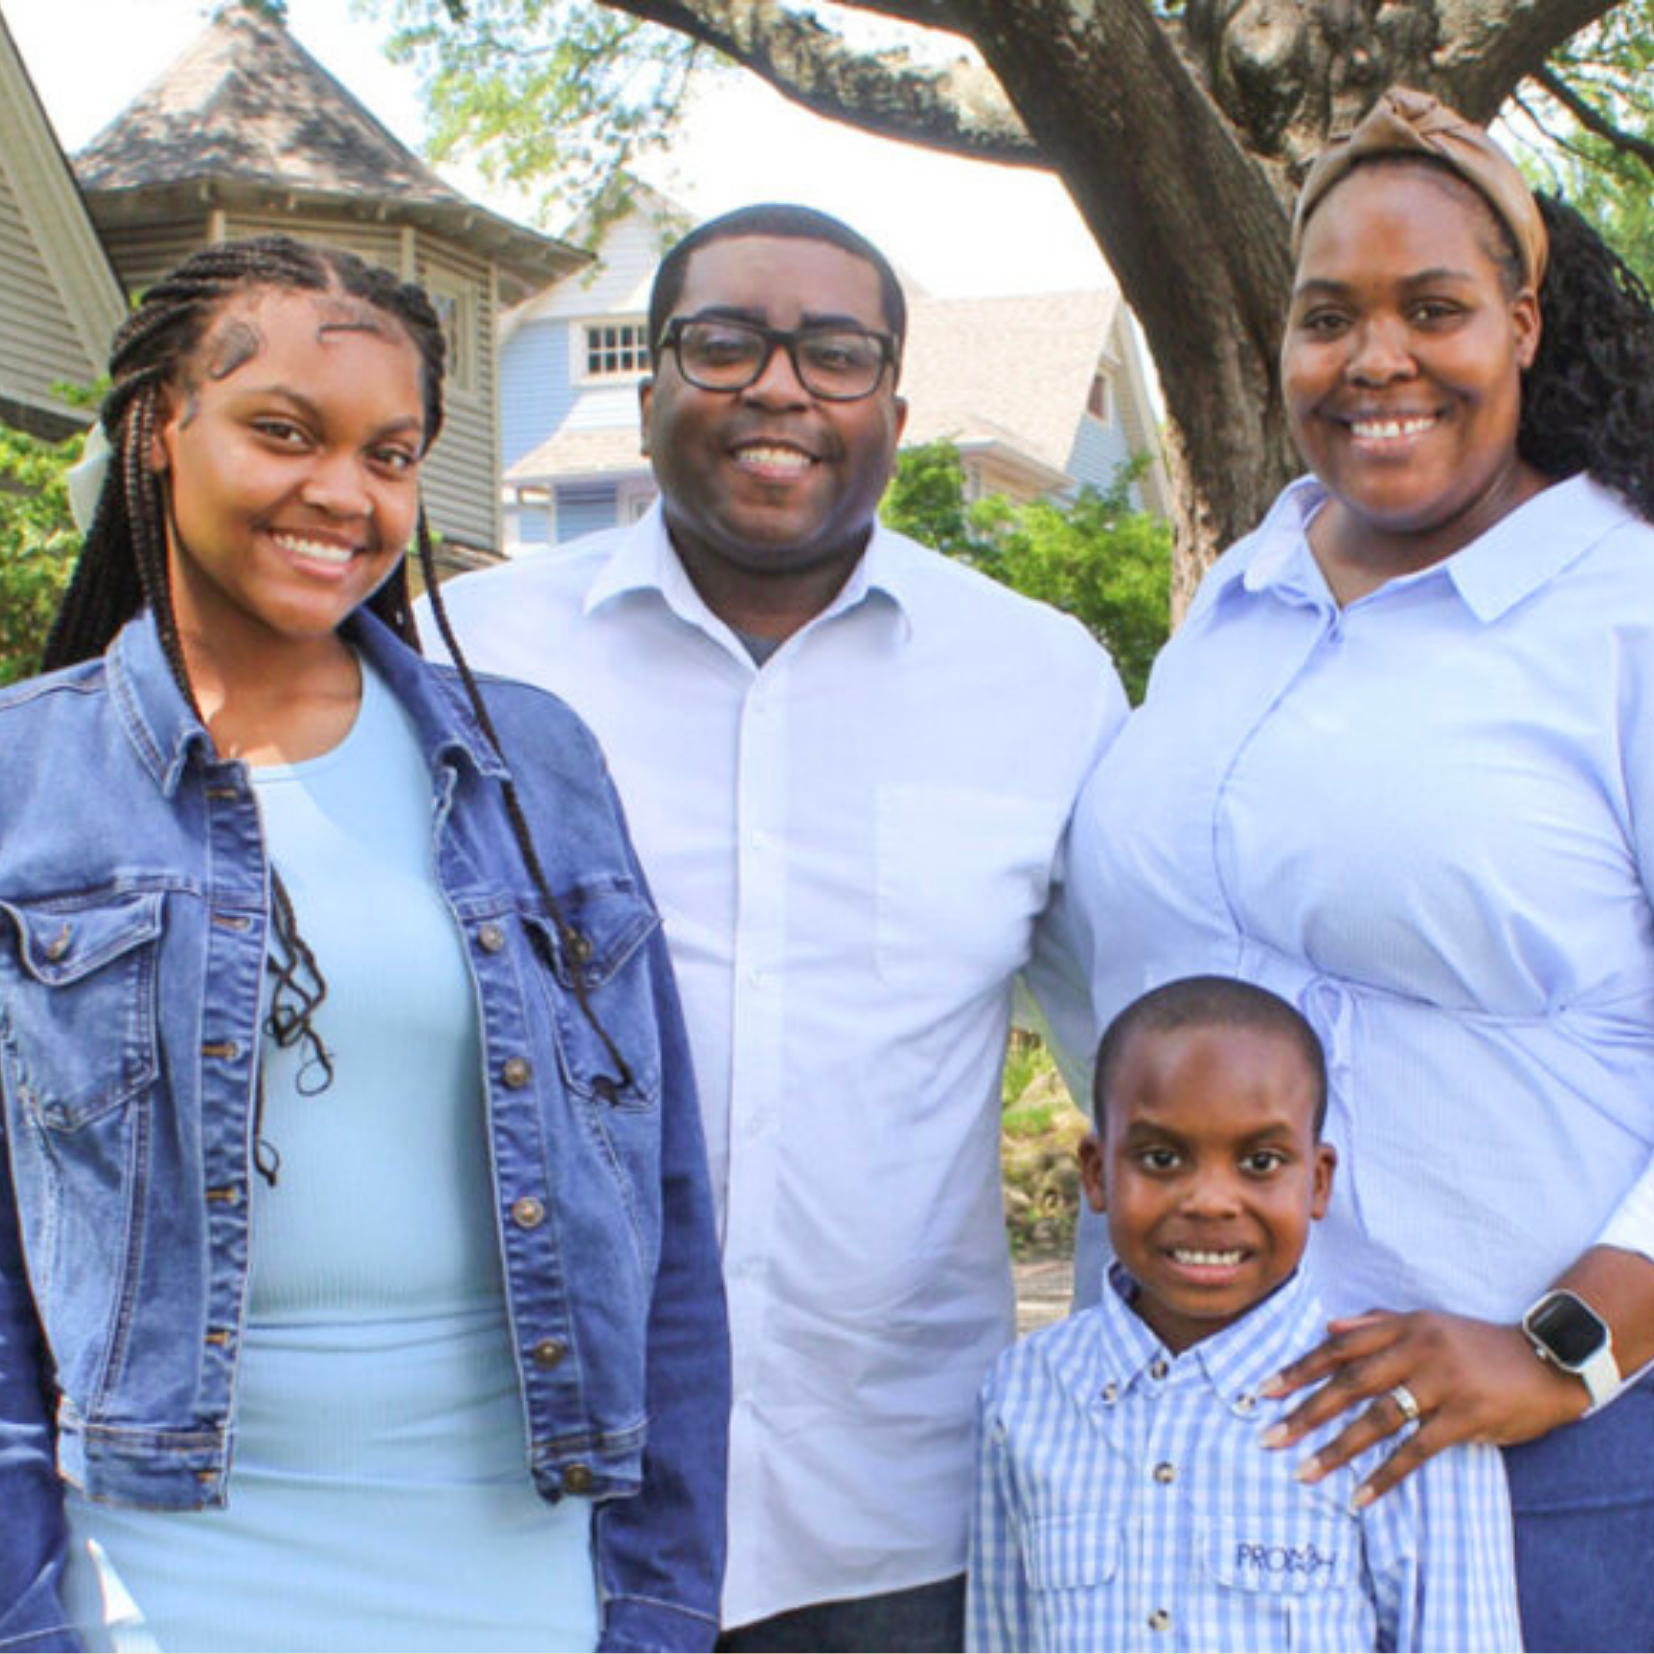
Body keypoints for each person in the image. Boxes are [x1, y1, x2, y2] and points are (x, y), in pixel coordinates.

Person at [0, 234, 728, 1653]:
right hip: (160, 1561)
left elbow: (668, 1213)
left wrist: (658, 1591)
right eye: (284, 431)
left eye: (389, 454)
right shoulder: (24, 783)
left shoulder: (537, 768)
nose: (342, 492)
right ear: (160, 427)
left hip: (511, 1549)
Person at [431, 203, 1128, 1650]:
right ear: (651, 386)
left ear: (894, 404)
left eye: (834, 353)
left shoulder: (1038, 679)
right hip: (525, 1500)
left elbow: (1140, 1065)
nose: (778, 390)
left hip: (892, 1517)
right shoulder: (470, 656)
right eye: (725, 343)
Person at [1065, 86, 1654, 1650]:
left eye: (1434, 308)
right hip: (1181, 1453)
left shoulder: (1624, 610)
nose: (1375, 359)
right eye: (1328, 315)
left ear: (1524, 327)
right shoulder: (1239, 594)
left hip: (1525, 1466)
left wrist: (1567, 1346)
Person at [970, 976, 1521, 1652]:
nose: (1209, 1201)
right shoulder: (1024, 1396)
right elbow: (1001, 1636)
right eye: (1161, 1158)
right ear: (1094, 1172)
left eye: (1260, 1161)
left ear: (1316, 1181)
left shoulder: (1396, 1412)